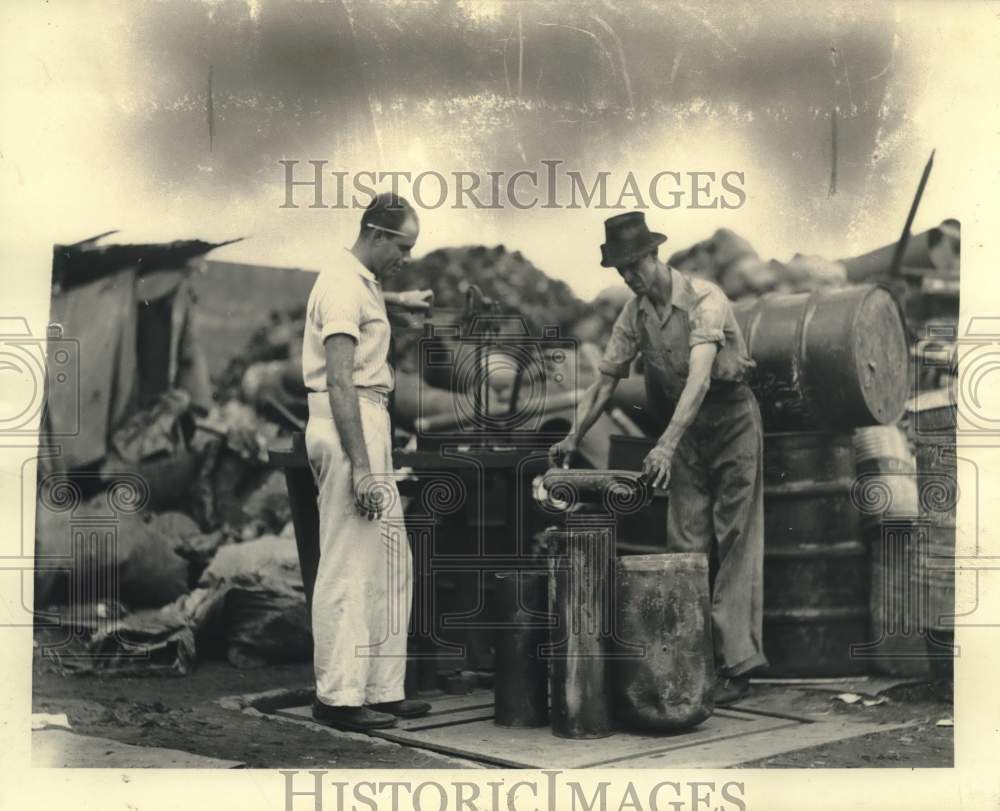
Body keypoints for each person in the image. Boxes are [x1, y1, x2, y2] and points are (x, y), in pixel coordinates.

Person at [549, 211, 767, 706]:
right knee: (684, 539)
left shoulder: (706, 298)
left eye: (633, 265)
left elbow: (700, 377)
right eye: (620, 270)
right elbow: (605, 378)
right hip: (684, 431)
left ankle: (737, 663)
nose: (628, 277)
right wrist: (573, 433)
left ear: (654, 256)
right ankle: (691, 659)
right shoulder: (634, 314)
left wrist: (664, 444)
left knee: (735, 538)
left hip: (730, 422)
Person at [302, 192, 434, 731]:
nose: (406, 257)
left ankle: (380, 689)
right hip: (348, 423)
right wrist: (360, 466)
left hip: (368, 419)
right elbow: (339, 379)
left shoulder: (362, 282)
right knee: (348, 564)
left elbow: (368, 305)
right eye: (403, 246)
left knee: (389, 560)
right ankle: (336, 698)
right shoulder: (339, 282)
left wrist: (401, 301)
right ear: (378, 235)